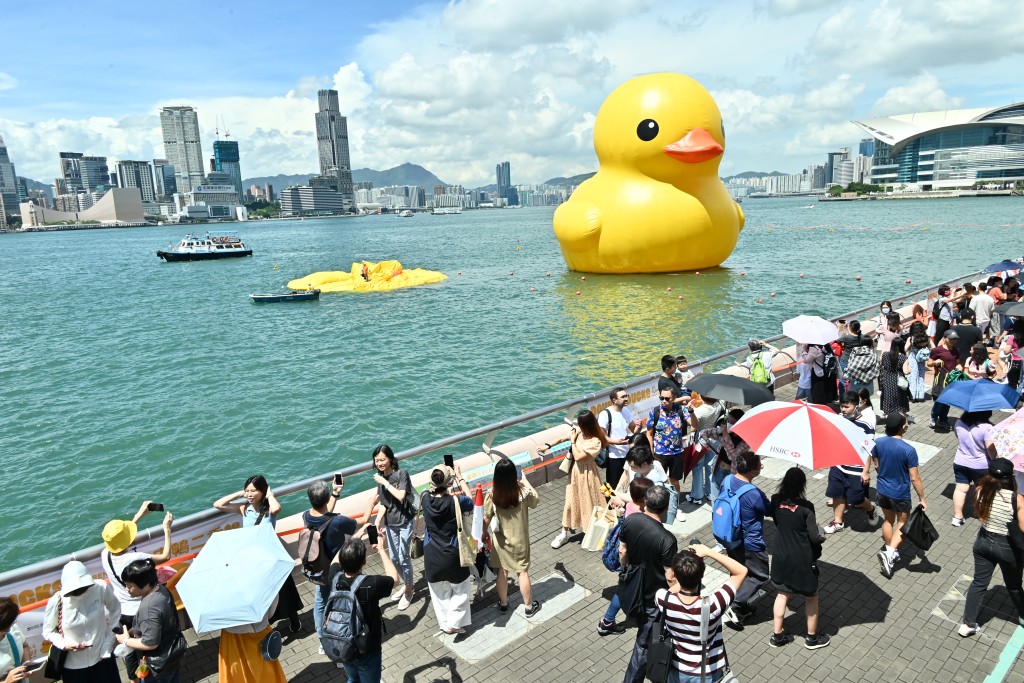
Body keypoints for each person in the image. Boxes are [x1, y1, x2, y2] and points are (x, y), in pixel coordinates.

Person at [213, 475, 302, 632]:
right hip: (254, 559)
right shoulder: (244, 509)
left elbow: (277, 508)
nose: (249, 494)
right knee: (264, 593)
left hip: (272, 556)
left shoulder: (268, 510)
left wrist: (270, 494)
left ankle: (294, 619)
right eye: (247, 491)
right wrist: (240, 494)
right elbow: (218, 505)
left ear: (262, 491)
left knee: (284, 590)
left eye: (253, 491)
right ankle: (268, 623)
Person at [100, 501, 173, 683]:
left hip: (122, 610)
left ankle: (133, 679)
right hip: (139, 611)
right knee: (143, 648)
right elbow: (165, 556)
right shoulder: (134, 558)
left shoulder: (104, 554)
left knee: (129, 651)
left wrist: (140, 515)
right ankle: (148, 677)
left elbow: (122, 541)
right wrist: (167, 529)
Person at [654, 544, 748, 683]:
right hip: (707, 672)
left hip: (676, 668)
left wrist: (686, 571)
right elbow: (741, 571)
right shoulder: (714, 605)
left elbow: (675, 588)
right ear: (702, 575)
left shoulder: (663, 599)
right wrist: (708, 552)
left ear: (676, 576)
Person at [959, 459, 1024, 637]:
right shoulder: (1016, 498)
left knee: (979, 582)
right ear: (1010, 477)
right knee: (1014, 585)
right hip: (1007, 547)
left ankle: (968, 624)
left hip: (983, 542)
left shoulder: (980, 490)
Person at [620, 486, 678, 683]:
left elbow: (622, 552)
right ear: (666, 507)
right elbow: (670, 576)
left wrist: (627, 570)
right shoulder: (667, 539)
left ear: (646, 502)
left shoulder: (631, 520)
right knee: (643, 646)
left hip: (633, 588)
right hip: (654, 600)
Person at [769, 468, 830, 650]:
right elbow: (813, 537)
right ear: (803, 485)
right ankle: (811, 638)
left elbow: (779, 521)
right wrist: (822, 534)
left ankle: (777, 636)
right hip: (801, 559)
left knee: (782, 594)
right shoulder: (806, 507)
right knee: (811, 596)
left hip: (781, 555)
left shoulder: (775, 500)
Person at [328, 538, 400, 683]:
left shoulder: (335, 578)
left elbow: (334, 563)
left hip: (343, 642)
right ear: (364, 561)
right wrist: (381, 549)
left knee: (353, 677)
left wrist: (352, 540)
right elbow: (394, 579)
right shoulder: (371, 583)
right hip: (366, 646)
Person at [303, 480, 365, 646]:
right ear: (326, 498)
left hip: (318, 569)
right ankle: (341, 639)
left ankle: (323, 640)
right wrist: (372, 504)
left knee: (320, 602)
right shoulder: (337, 521)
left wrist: (335, 494)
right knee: (342, 602)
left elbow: (324, 515)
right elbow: (363, 520)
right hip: (337, 569)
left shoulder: (306, 516)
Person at [43, 560, 122, 683]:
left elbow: (115, 610)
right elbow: (48, 631)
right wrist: (64, 644)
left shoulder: (100, 587)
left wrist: (108, 642)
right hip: (74, 666)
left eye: (83, 587)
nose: (79, 591)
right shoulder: (56, 601)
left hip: (102, 657)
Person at [421, 464, 474, 633]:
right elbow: (471, 499)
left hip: (431, 554)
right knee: (462, 590)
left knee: (439, 593)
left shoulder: (424, 498)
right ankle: (454, 623)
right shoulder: (456, 502)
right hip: (453, 554)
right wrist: (460, 476)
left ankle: (446, 625)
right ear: (449, 482)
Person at [543, 410, 608, 548]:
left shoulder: (595, 441)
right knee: (570, 503)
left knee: (591, 502)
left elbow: (578, 456)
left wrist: (573, 442)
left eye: (581, 425)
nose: (579, 427)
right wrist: (548, 446)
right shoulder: (579, 432)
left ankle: (594, 532)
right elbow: (561, 439)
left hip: (588, 474)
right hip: (575, 473)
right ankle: (564, 533)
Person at [484, 459, 541, 616]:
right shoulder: (522, 492)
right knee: (522, 572)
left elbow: (486, 518)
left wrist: (483, 533)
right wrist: (525, 480)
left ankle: (503, 604)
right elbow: (536, 500)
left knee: (502, 572)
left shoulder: (492, 494)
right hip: (520, 541)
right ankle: (529, 607)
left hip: (500, 542)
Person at [721, 453, 772, 628]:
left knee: (737, 571)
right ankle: (734, 606)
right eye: (760, 466)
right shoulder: (754, 494)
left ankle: (737, 602)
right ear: (752, 472)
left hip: (729, 536)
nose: (761, 467)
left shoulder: (727, 480)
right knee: (760, 575)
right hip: (750, 542)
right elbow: (770, 510)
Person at [114, 559, 185, 683]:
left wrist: (126, 640)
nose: (127, 589)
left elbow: (151, 643)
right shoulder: (161, 590)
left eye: (130, 586)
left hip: (158, 665)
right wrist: (133, 631)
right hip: (172, 655)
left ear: (146, 584)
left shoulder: (148, 609)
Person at [874, 413, 927, 579]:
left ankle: (890, 551)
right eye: (906, 423)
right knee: (903, 523)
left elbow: (876, 462)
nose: (908, 425)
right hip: (900, 494)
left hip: (882, 489)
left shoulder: (878, 442)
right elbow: (915, 478)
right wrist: (922, 498)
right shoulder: (908, 450)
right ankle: (890, 553)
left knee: (888, 520)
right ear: (902, 427)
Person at [600, 477, 654, 636]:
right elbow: (624, 550)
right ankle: (607, 622)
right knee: (625, 588)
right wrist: (625, 566)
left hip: (630, 560)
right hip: (633, 560)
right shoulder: (640, 516)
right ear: (645, 498)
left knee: (630, 587)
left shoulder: (630, 506)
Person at [370, 444, 416, 610]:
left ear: (390, 458)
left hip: (405, 522)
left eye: (382, 459)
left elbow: (401, 496)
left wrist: (384, 482)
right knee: (395, 558)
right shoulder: (381, 480)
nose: (380, 463)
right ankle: (406, 584)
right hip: (391, 524)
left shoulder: (401, 474)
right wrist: (377, 520)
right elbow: (385, 503)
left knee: (404, 557)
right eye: (377, 461)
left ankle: (409, 590)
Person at [823, 393, 876, 534]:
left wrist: (865, 471)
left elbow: (868, 450)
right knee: (837, 494)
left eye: (847, 406)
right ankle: (838, 522)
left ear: (856, 406)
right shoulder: (839, 419)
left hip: (856, 469)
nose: (843, 409)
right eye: (841, 406)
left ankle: (870, 509)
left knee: (857, 499)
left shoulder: (865, 426)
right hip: (838, 465)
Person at [646, 388, 698, 497]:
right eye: (661, 398)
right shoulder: (655, 412)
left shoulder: (681, 410)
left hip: (677, 453)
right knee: (659, 482)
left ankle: (676, 502)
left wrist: (692, 412)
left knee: (674, 481)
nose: (663, 401)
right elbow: (649, 434)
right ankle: (659, 503)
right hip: (660, 454)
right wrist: (651, 451)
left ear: (674, 398)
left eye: (667, 398)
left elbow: (694, 427)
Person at [951, 411, 998, 527]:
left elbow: (959, 437)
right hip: (980, 466)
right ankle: (981, 515)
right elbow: (990, 449)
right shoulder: (987, 428)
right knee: (981, 489)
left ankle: (957, 517)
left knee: (960, 489)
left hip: (960, 462)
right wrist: (995, 460)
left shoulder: (959, 422)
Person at [620, 443, 679, 523]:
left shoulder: (655, 482)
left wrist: (616, 494)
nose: (632, 469)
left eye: (633, 467)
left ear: (644, 464)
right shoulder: (639, 474)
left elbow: (652, 506)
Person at [687, 396, 725, 505]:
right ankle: (709, 492)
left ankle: (697, 495)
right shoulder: (719, 403)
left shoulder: (700, 411)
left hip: (702, 439)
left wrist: (689, 411)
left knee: (698, 467)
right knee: (710, 466)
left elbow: (694, 425)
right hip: (714, 437)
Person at [599, 387, 641, 489]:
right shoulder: (605, 414)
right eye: (623, 397)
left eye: (626, 396)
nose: (626, 398)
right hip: (614, 456)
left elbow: (633, 431)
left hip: (627, 454)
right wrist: (617, 442)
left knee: (628, 483)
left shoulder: (626, 411)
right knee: (613, 485)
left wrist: (638, 427)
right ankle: (611, 504)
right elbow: (602, 437)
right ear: (615, 400)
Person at [713, 409, 751, 502]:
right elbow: (709, 432)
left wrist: (726, 437)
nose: (729, 424)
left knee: (728, 500)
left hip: (731, 473)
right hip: (718, 469)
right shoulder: (725, 431)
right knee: (716, 500)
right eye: (728, 421)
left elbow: (733, 456)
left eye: (732, 422)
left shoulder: (745, 440)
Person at [928, 330, 962, 432]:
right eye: (951, 339)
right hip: (940, 379)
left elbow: (957, 363)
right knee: (939, 400)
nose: (953, 341)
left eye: (955, 339)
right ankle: (934, 416)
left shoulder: (956, 350)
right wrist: (935, 362)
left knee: (947, 401)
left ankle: (943, 419)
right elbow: (928, 364)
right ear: (944, 338)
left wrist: (959, 367)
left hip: (951, 380)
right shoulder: (937, 351)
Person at [0, 598, 29, 683]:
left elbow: (25, 645)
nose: (10, 628)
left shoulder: (13, 629)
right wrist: (7, 681)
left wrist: (26, 663)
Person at [879, 344, 910, 420]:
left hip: (887, 378)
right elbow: (906, 372)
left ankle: (889, 416)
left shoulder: (885, 354)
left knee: (888, 397)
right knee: (900, 399)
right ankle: (900, 418)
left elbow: (881, 363)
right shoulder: (903, 357)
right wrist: (910, 370)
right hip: (899, 380)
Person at [905, 325, 932, 403]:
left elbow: (905, 348)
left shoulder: (911, 338)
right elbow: (932, 346)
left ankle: (913, 396)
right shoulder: (926, 338)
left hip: (913, 359)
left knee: (913, 377)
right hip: (922, 360)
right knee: (921, 376)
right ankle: (920, 396)